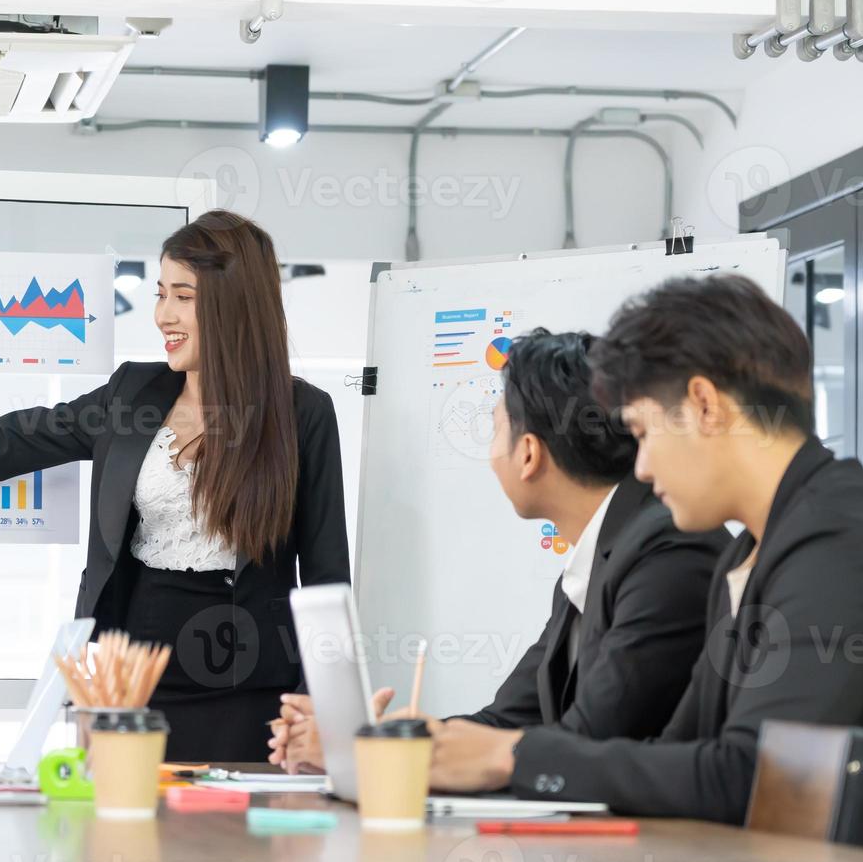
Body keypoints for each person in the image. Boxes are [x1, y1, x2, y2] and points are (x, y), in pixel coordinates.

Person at [432, 273, 863, 862]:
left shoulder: (845, 541)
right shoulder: (750, 550)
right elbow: (684, 750)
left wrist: (512, 757)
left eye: (644, 432)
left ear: (704, 405)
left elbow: (746, 775)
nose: (641, 468)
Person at [0, 210, 351, 762]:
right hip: (133, 680)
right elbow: (3, 442)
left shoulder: (303, 414)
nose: (162, 316)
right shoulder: (132, 394)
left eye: (183, 297)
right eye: (159, 294)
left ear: (233, 306)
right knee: (129, 854)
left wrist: (317, 704)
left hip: (252, 689)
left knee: (233, 856)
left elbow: (328, 579)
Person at [269, 329, 730, 791]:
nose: (491, 456)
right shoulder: (600, 560)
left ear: (528, 453)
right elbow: (504, 722)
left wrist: (370, 752)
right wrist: (374, 741)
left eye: (495, 429)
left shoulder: (669, 550)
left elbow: (589, 738)